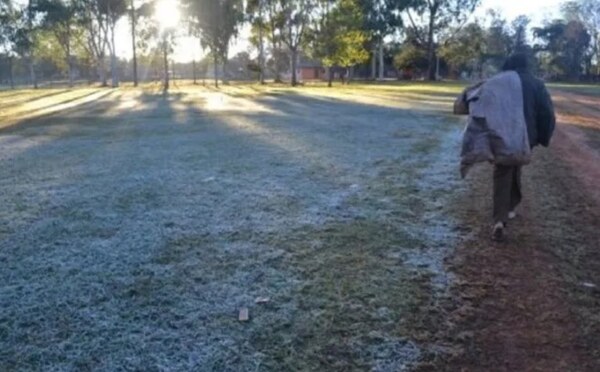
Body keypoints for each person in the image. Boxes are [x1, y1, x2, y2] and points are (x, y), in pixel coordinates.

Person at [491, 53, 556, 241]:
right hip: (526, 136)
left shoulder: (500, 81)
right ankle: (510, 207)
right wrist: (542, 137)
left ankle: (499, 220)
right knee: (516, 165)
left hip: (503, 134)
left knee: (502, 170)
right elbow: (546, 113)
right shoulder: (536, 84)